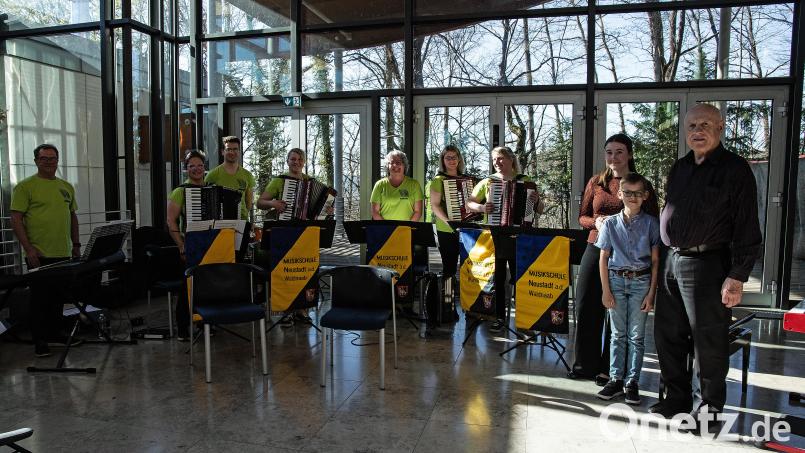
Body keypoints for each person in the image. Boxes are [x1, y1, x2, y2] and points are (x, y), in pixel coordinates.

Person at [652, 103, 761, 421]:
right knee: (668, 335)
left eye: (705, 125)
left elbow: (747, 227)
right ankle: (677, 399)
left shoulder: (734, 169)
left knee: (708, 341)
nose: (697, 132)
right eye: (691, 126)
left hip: (708, 263)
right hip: (673, 260)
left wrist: (737, 275)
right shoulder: (681, 167)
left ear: (721, 128)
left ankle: (708, 411)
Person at [568, 134, 659, 384]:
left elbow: (652, 222)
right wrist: (595, 222)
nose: (613, 157)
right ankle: (584, 365)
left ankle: (609, 369)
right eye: (609, 152)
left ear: (629, 154)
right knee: (587, 305)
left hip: (627, 256)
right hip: (596, 247)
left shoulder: (641, 183)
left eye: (619, 152)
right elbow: (582, 217)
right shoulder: (596, 182)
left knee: (617, 309)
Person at [10, 144, 82, 357]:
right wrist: (28, 249)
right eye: (44, 159)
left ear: (57, 161)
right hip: (39, 254)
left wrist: (76, 244)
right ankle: (40, 340)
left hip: (64, 252)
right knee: (40, 299)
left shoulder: (66, 186)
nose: (49, 162)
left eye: (53, 158)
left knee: (58, 298)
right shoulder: (25, 187)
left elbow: (73, 216)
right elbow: (16, 219)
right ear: (36, 161)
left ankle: (55, 333)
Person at [594, 173, 660, 405]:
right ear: (620, 194)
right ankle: (615, 379)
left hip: (641, 283)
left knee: (636, 336)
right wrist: (605, 290)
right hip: (616, 282)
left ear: (645, 196)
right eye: (627, 193)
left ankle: (632, 382)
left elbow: (654, 262)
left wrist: (652, 293)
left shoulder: (652, 224)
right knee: (617, 335)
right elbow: (603, 258)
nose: (632, 197)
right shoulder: (610, 224)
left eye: (637, 193)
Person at [466, 146, 543, 333]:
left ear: (511, 160)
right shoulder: (488, 182)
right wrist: (482, 208)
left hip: (519, 235)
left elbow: (539, 210)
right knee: (498, 279)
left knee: (520, 278)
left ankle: (524, 320)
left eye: (500, 159)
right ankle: (499, 317)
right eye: (494, 160)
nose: (497, 163)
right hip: (495, 235)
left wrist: (536, 200)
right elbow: (469, 203)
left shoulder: (526, 182)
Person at [256, 148, 323, 327]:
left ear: (304, 162)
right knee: (286, 273)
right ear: (287, 161)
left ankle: (302, 311)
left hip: (305, 235)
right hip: (284, 233)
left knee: (304, 271)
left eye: (300, 159)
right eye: (293, 159)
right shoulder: (279, 181)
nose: (296, 162)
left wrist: (327, 209)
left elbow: (320, 207)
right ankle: (286, 312)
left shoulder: (311, 182)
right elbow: (260, 202)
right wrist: (273, 203)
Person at [167, 149, 209, 340]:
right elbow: (171, 221)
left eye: (200, 165)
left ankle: (205, 322)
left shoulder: (211, 188)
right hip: (191, 244)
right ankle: (183, 327)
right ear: (186, 169)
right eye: (192, 166)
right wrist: (180, 244)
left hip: (210, 244)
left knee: (207, 285)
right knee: (187, 288)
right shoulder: (180, 191)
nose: (197, 169)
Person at [429, 145, 469, 281]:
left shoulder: (467, 179)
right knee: (449, 267)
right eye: (448, 158)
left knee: (469, 266)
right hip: (446, 229)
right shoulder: (438, 180)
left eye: (454, 157)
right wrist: (450, 223)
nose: (451, 160)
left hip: (466, 229)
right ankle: (447, 299)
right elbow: (435, 206)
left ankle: (466, 298)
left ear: (459, 159)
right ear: (443, 160)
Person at [204, 136, 255, 221]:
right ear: (222, 152)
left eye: (235, 149)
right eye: (228, 149)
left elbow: (248, 203)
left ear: (239, 151)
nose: (232, 152)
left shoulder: (248, 175)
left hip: (242, 222)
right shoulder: (212, 175)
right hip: (220, 223)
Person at [370, 150, 424, 222]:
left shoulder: (414, 184)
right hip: (385, 230)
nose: (395, 165)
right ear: (387, 166)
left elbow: (418, 212)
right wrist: (387, 228)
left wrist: (405, 228)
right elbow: (375, 212)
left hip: (407, 230)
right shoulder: (379, 185)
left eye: (398, 162)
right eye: (392, 163)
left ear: (404, 165)